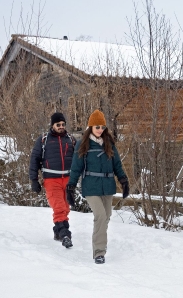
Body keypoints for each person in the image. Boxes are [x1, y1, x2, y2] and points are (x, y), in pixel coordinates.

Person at [66, 110, 129, 264]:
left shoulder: (109, 143)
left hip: (107, 186)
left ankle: (99, 242)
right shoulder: (83, 144)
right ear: (90, 127)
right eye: (97, 127)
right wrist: (71, 186)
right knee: (100, 216)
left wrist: (124, 180)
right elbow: (76, 167)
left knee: (106, 217)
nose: (100, 130)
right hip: (91, 186)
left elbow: (117, 165)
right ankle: (99, 252)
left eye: (102, 127)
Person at [30, 112, 75, 248]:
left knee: (66, 207)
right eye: (58, 125)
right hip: (51, 179)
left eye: (63, 124)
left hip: (67, 178)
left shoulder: (71, 139)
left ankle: (58, 232)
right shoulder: (44, 140)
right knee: (59, 207)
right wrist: (33, 180)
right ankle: (65, 234)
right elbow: (34, 159)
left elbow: (79, 159)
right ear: (52, 125)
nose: (61, 127)